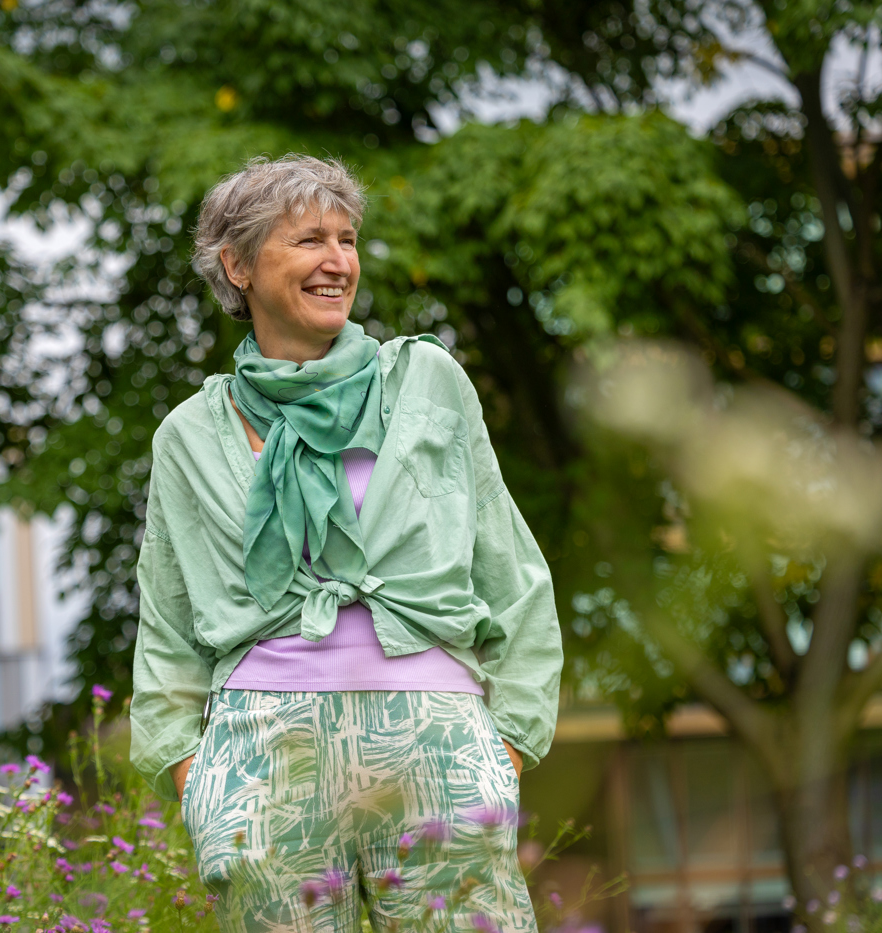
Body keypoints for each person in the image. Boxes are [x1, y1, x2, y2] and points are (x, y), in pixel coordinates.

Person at [130, 153, 563, 931]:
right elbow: (166, 628)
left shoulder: (428, 382)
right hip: (264, 760)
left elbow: (513, 569)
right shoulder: (188, 436)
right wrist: (198, 777)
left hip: (438, 745)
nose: (338, 262)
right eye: (309, 241)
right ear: (237, 265)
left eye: (348, 238)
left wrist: (508, 747)